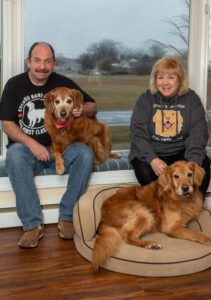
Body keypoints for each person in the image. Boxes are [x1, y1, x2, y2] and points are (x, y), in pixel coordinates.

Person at [0, 42, 97, 248]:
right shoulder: (14, 85)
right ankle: (32, 225)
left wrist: (82, 109)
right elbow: (7, 125)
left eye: (47, 61)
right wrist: (33, 144)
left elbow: (92, 105)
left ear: (54, 63)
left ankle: (67, 216)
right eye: (37, 60)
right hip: (28, 151)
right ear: (29, 61)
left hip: (61, 148)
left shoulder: (63, 82)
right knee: (15, 155)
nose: (42, 66)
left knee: (85, 154)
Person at [129, 55, 210, 193]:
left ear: (180, 80)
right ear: (155, 80)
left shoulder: (192, 99)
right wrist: (152, 159)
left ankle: (190, 212)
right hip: (153, 152)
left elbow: (198, 133)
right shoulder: (145, 99)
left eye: (171, 77)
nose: (165, 82)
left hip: (182, 151)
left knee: (202, 170)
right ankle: (163, 212)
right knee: (146, 173)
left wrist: (193, 163)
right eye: (160, 77)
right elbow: (138, 133)